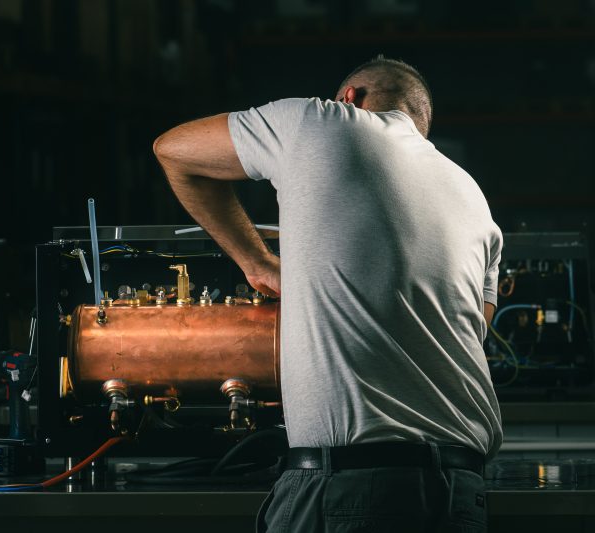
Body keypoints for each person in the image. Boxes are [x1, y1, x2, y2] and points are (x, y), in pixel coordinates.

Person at [153, 55, 502, 532]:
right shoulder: (472, 195)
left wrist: (257, 264)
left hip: (355, 488)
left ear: (350, 99)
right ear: (421, 128)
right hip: (463, 491)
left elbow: (173, 149)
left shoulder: (319, 122)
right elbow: (471, 331)